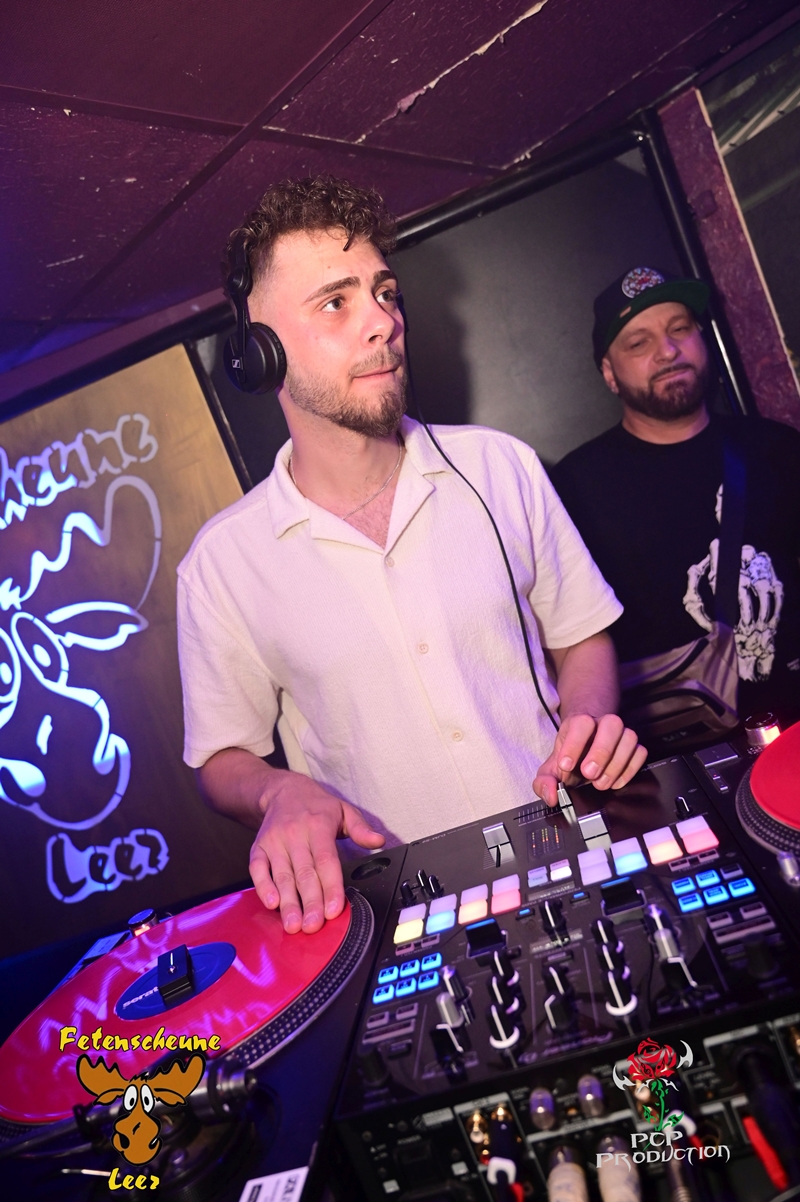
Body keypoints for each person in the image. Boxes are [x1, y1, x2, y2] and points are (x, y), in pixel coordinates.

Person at [177, 176, 646, 936]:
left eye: (385, 293)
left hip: (573, 854)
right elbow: (222, 756)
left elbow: (580, 633)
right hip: (401, 916)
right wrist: (274, 792)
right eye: (336, 302)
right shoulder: (221, 565)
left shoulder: (501, 466)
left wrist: (590, 720)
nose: (383, 323)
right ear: (260, 354)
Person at [550, 266, 800, 740]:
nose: (667, 351)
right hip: (679, 753)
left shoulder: (775, 448)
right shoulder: (575, 488)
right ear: (609, 373)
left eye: (679, 329)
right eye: (638, 343)